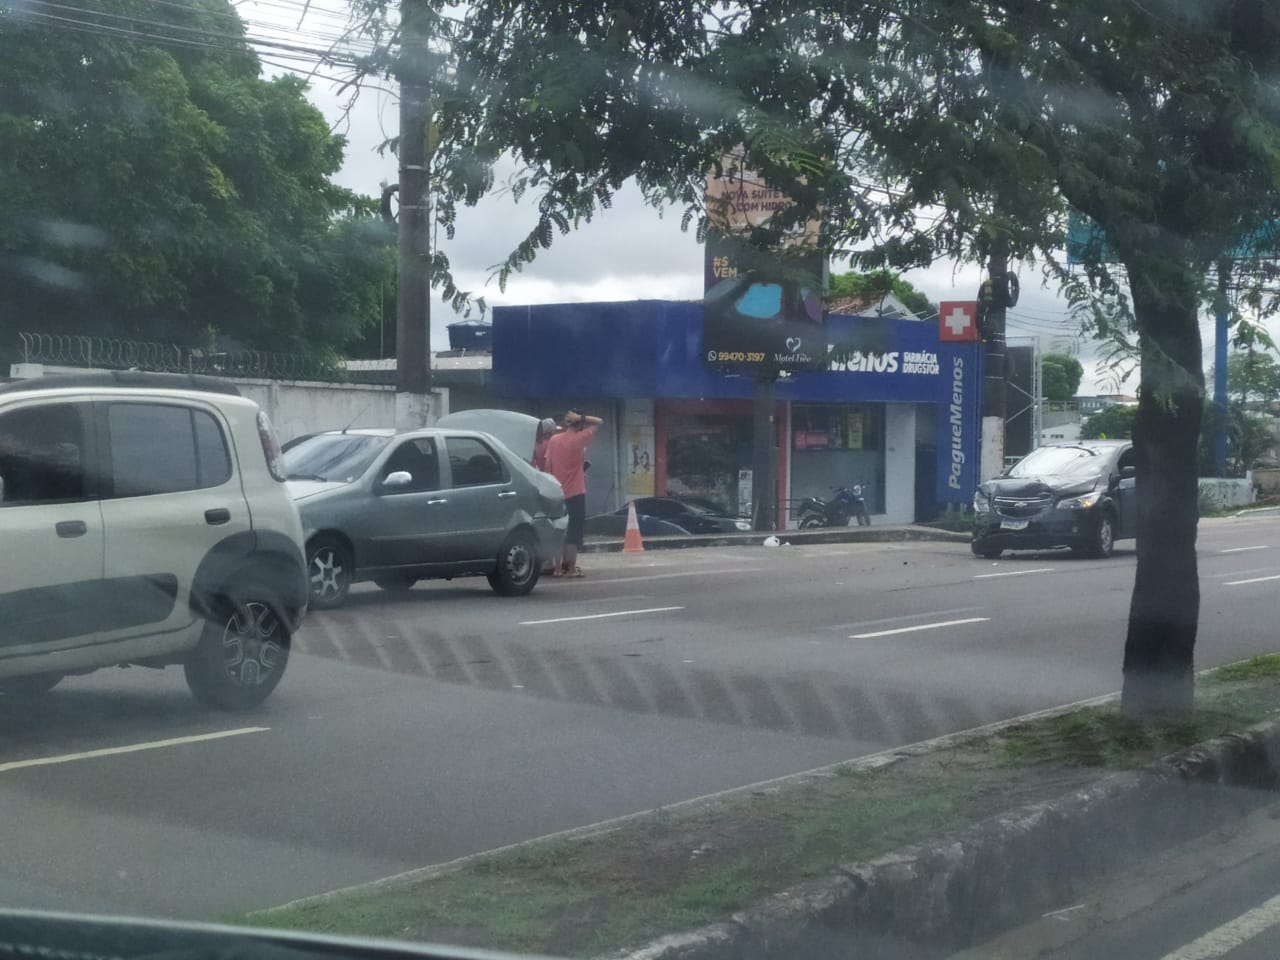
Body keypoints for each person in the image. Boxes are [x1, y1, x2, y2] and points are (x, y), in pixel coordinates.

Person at [544, 408, 602, 578]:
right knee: (573, 534)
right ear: (581, 425)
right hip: (576, 493)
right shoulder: (580, 439)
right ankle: (570, 569)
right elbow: (599, 421)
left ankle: (557, 569)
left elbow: (547, 466)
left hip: (557, 493)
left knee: (558, 532)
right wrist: (582, 417)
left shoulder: (554, 440)